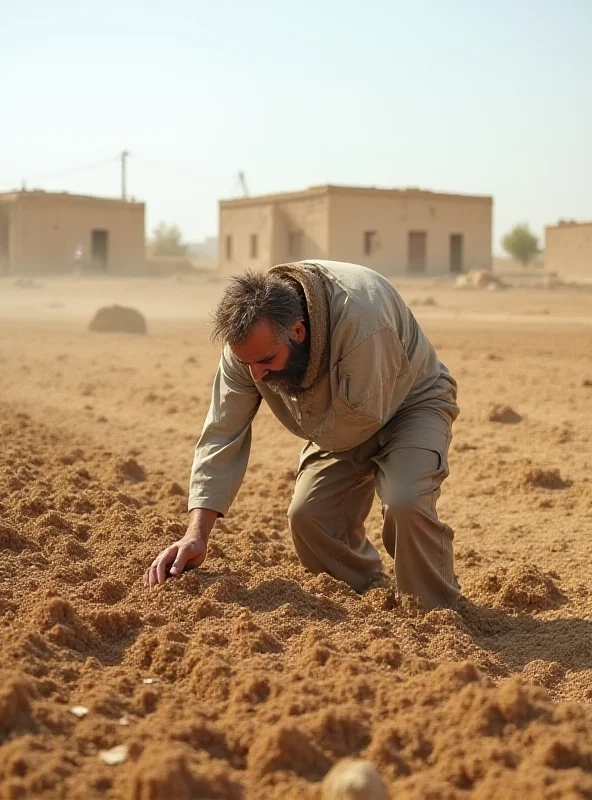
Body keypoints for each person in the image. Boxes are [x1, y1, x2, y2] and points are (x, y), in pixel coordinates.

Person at [145, 260, 460, 610]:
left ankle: (436, 610)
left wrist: (400, 476)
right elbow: (222, 432)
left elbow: (368, 424)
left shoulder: (364, 324)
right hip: (337, 418)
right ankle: (364, 592)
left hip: (409, 403)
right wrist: (196, 534)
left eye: (267, 360)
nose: (258, 376)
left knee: (404, 503)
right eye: (248, 364)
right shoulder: (250, 348)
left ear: (298, 332)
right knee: (309, 516)